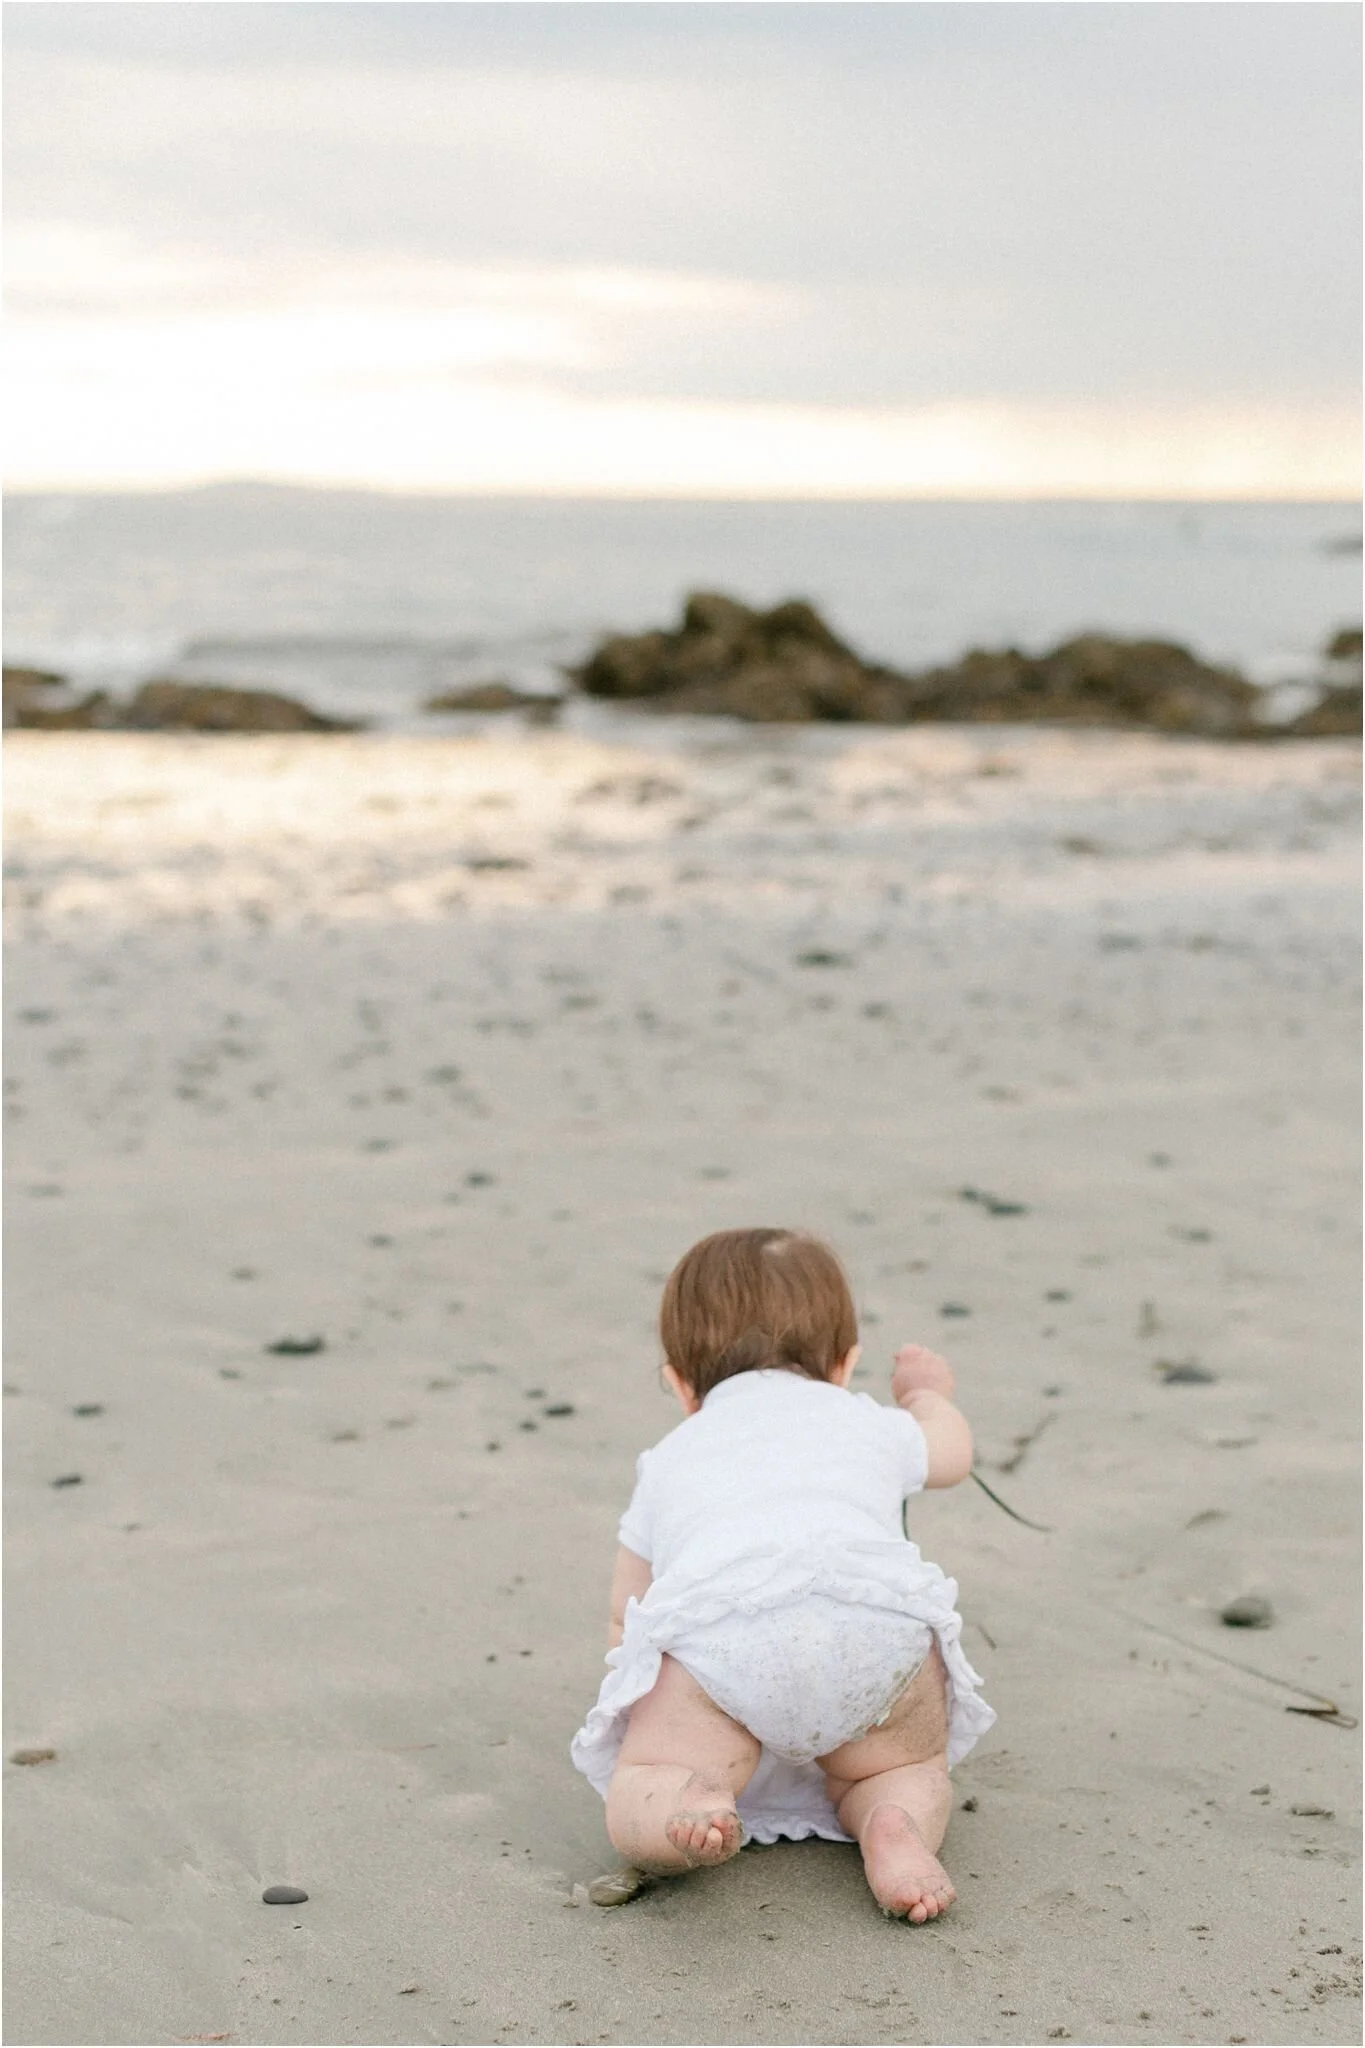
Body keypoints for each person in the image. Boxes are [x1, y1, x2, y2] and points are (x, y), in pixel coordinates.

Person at [570, 1227, 995, 1922]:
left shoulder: (671, 1454)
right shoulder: (865, 1421)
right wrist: (925, 1396)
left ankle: (692, 1801)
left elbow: (631, 1612)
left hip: (724, 1647)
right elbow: (950, 1456)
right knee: (901, 1768)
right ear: (844, 1364)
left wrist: (642, 1708)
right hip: (879, 1639)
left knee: (644, 1781)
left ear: (681, 1385)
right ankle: (892, 1826)